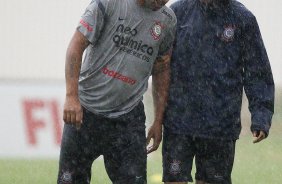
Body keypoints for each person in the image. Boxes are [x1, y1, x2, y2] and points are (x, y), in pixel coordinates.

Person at [57, 0, 176, 183]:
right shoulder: (109, 3)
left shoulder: (167, 21)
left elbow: (162, 67)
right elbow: (76, 46)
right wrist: (71, 96)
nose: (163, 1)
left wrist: (158, 120)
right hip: (86, 113)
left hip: (128, 119)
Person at [162, 0, 275, 183]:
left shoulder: (242, 18)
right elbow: (160, 64)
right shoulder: (176, 13)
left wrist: (261, 115)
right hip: (178, 123)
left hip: (221, 125)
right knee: (174, 180)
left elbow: (257, 71)